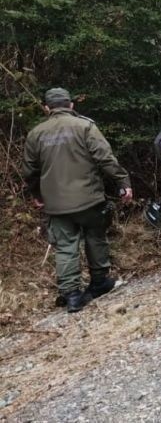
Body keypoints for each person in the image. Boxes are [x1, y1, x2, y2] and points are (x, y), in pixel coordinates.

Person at [22, 88, 133, 313]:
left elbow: (29, 171)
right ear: (71, 105)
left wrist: (37, 195)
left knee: (64, 246)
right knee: (95, 237)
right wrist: (123, 182)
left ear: (46, 108)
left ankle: (72, 295)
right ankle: (99, 282)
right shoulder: (85, 126)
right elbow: (105, 159)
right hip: (89, 198)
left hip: (56, 204)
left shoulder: (36, 134)